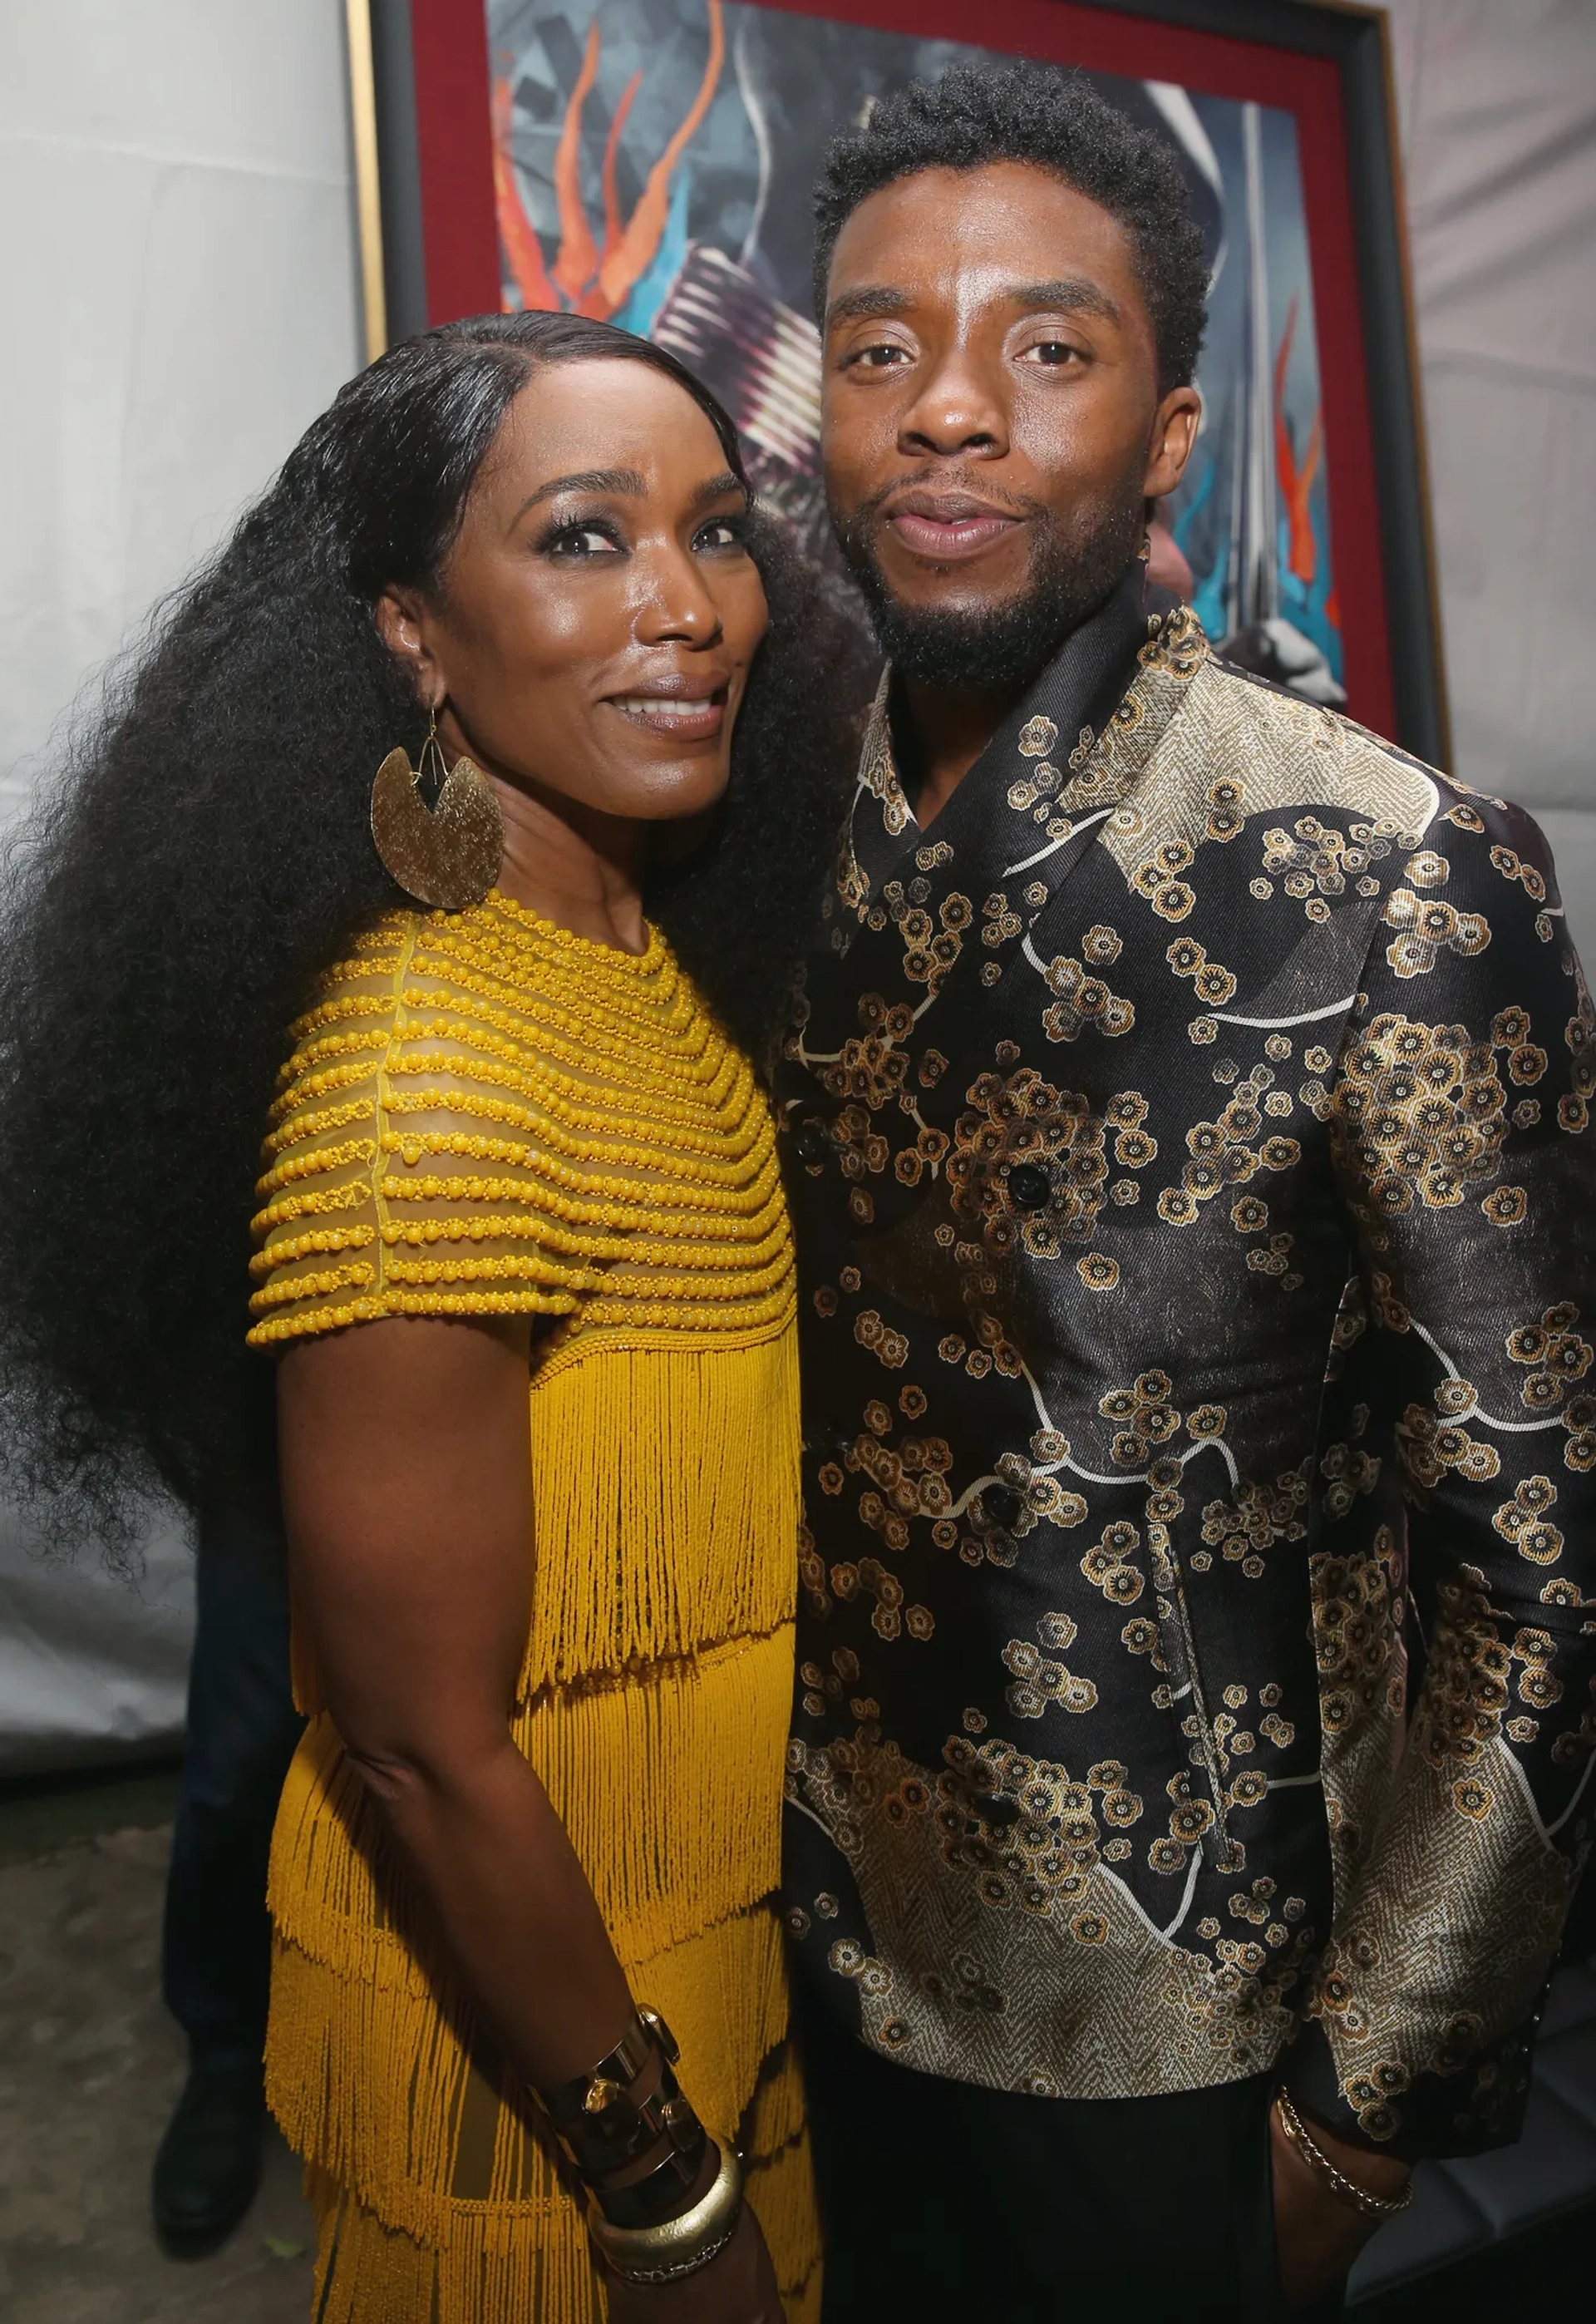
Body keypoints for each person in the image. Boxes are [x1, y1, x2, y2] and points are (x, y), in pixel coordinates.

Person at [776, 62, 1596, 2322]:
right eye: (878, 347)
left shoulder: (1388, 874)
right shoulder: (771, 829)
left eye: (1048, 348)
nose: (946, 411)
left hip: (1186, 2037)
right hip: (818, 1946)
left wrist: (1370, 2101)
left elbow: (1541, 1562)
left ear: (1171, 435)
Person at [0, 309, 868, 2320]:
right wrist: (658, 2194)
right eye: (584, 538)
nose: (688, 606)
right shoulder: (432, 1073)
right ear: (411, 630)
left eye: (719, 530)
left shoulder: (626, 942)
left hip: (694, 1941)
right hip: (564, 2063)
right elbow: (405, 1745)